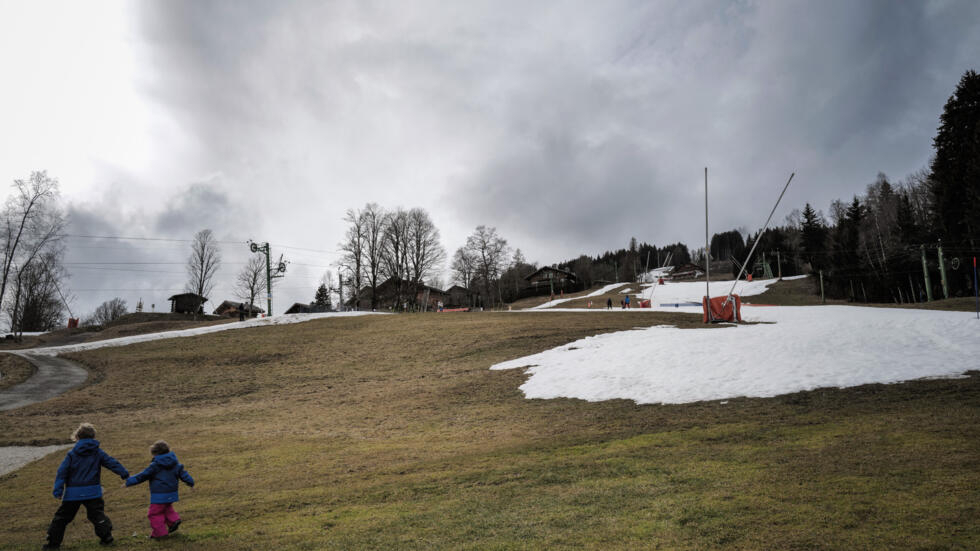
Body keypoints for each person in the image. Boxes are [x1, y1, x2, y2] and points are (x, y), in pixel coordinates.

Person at [44, 423, 129, 549]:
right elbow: (112, 463)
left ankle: (52, 544)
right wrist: (124, 473)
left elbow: (62, 472)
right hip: (93, 491)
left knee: (61, 519)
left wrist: (58, 490)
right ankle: (107, 537)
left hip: (73, 493)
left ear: (77, 436)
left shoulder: (72, 454)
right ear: (93, 436)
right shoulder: (98, 452)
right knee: (97, 515)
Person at [124, 440, 195, 539]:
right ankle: (173, 520)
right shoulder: (175, 463)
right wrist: (190, 482)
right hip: (171, 493)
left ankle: (161, 534)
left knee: (154, 514)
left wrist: (129, 481)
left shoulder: (155, 466)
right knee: (166, 508)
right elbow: (184, 474)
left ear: (155, 453)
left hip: (159, 495)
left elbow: (142, 476)